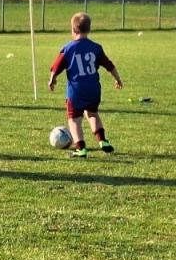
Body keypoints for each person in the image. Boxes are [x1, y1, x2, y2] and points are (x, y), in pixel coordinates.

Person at [48, 12, 123, 158]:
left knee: (74, 120)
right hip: (93, 90)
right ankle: (103, 141)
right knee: (92, 114)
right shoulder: (96, 48)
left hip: (76, 91)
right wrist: (117, 79)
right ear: (89, 29)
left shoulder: (68, 48)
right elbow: (109, 65)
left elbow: (56, 67)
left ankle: (80, 148)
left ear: (73, 29)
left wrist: (52, 79)